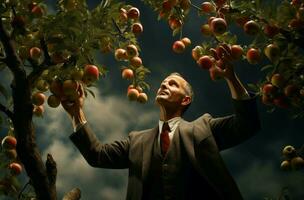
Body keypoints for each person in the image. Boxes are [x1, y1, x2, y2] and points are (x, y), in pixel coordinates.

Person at [62, 50, 260, 200]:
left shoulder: (204, 127)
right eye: (163, 83)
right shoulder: (136, 141)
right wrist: (76, 112)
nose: (164, 85)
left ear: (185, 100)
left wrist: (231, 78)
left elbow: (247, 124)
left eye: (173, 84)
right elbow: (97, 155)